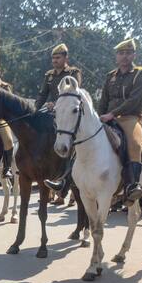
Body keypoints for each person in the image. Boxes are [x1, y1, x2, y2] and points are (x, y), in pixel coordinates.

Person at [97, 38, 142, 204]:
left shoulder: (140, 75)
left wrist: (112, 114)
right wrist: (99, 117)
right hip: (107, 117)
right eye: (121, 53)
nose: (124, 56)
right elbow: (103, 100)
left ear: (134, 55)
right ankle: (66, 179)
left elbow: (134, 100)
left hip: (129, 117)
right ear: (116, 56)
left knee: (133, 143)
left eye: (128, 53)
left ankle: (132, 186)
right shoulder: (110, 76)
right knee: (84, 137)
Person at [40, 43, 83, 202]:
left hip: (69, 115)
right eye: (53, 58)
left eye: (58, 58)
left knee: (71, 148)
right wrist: (34, 111)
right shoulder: (49, 75)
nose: (55, 61)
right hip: (52, 114)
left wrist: (56, 102)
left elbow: (73, 92)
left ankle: (71, 187)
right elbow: (42, 95)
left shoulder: (73, 73)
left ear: (66, 58)